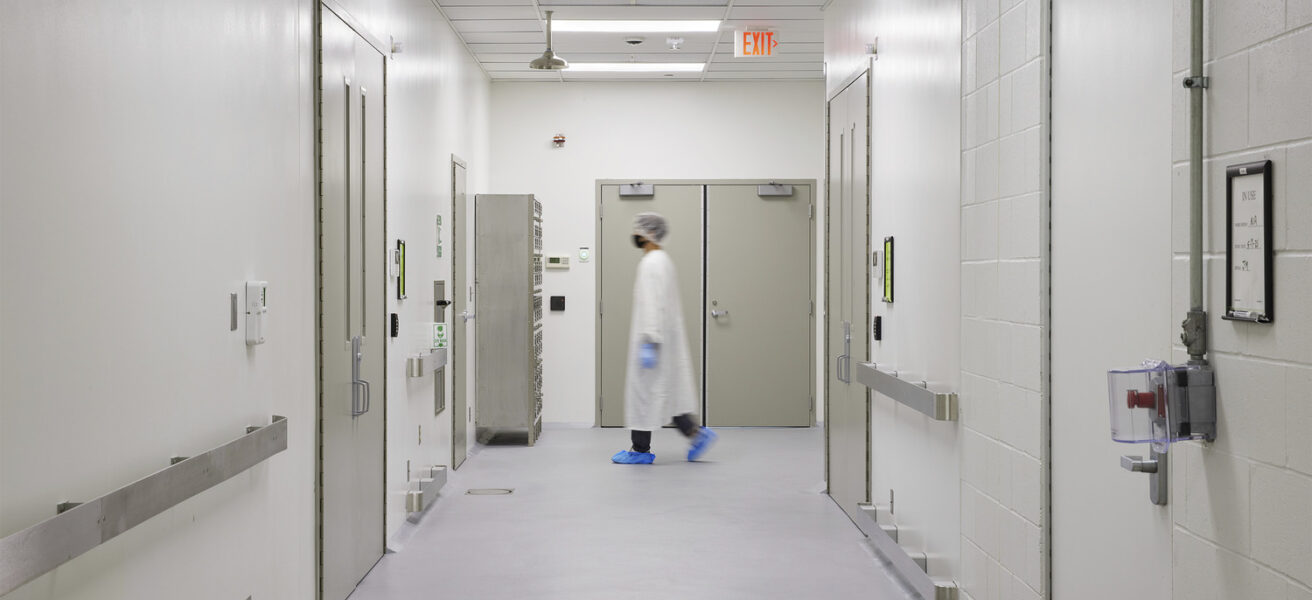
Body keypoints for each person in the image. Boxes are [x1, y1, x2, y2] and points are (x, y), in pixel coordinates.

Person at [612, 212, 718, 465]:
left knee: (644, 395)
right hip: (665, 340)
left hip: (652, 341)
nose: (635, 235)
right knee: (668, 390)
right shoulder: (664, 260)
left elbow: (652, 304)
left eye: (638, 230)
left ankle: (640, 451)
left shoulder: (650, 263)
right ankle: (695, 434)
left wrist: (649, 340)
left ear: (647, 234)